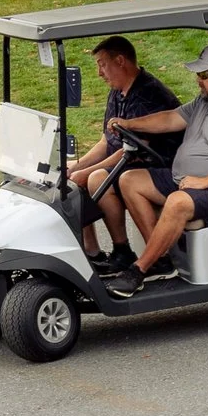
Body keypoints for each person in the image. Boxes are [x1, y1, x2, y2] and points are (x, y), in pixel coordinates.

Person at [106, 45, 208, 297]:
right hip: (190, 182)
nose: (198, 81)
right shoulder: (207, 101)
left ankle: (139, 269)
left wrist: (204, 182)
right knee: (130, 180)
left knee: (176, 202)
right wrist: (129, 123)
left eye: (204, 76)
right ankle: (161, 261)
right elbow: (171, 119)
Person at [64, 36, 182, 276]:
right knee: (73, 174)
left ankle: (124, 251)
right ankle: (92, 252)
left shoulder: (149, 95)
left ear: (120, 61)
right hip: (135, 163)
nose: (99, 73)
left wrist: (85, 172)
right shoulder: (118, 92)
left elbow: (130, 150)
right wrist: (76, 167)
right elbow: (107, 141)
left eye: (102, 64)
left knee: (95, 178)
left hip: (161, 166)